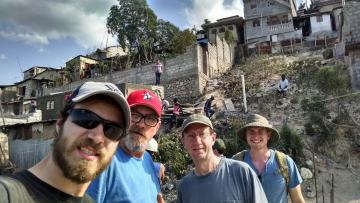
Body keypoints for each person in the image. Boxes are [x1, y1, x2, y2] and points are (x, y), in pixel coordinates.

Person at [0, 81, 131, 203]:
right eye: (86, 118)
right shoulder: (7, 194)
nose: (97, 138)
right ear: (60, 123)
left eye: (113, 130)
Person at [87, 89, 164, 203]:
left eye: (151, 119)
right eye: (135, 115)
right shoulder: (103, 162)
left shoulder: (147, 160)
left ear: (157, 127)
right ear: (122, 118)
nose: (141, 124)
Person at [177, 114, 268, 203]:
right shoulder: (185, 187)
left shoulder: (241, 173)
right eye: (191, 136)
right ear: (183, 142)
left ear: (213, 138)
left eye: (202, 134)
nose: (197, 141)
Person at [233, 114, 305, 203]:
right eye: (251, 131)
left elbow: (297, 199)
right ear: (246, 135)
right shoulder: (236, 162)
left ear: (268, 135)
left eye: (260, 131)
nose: (256, 136)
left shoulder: (284, 162)